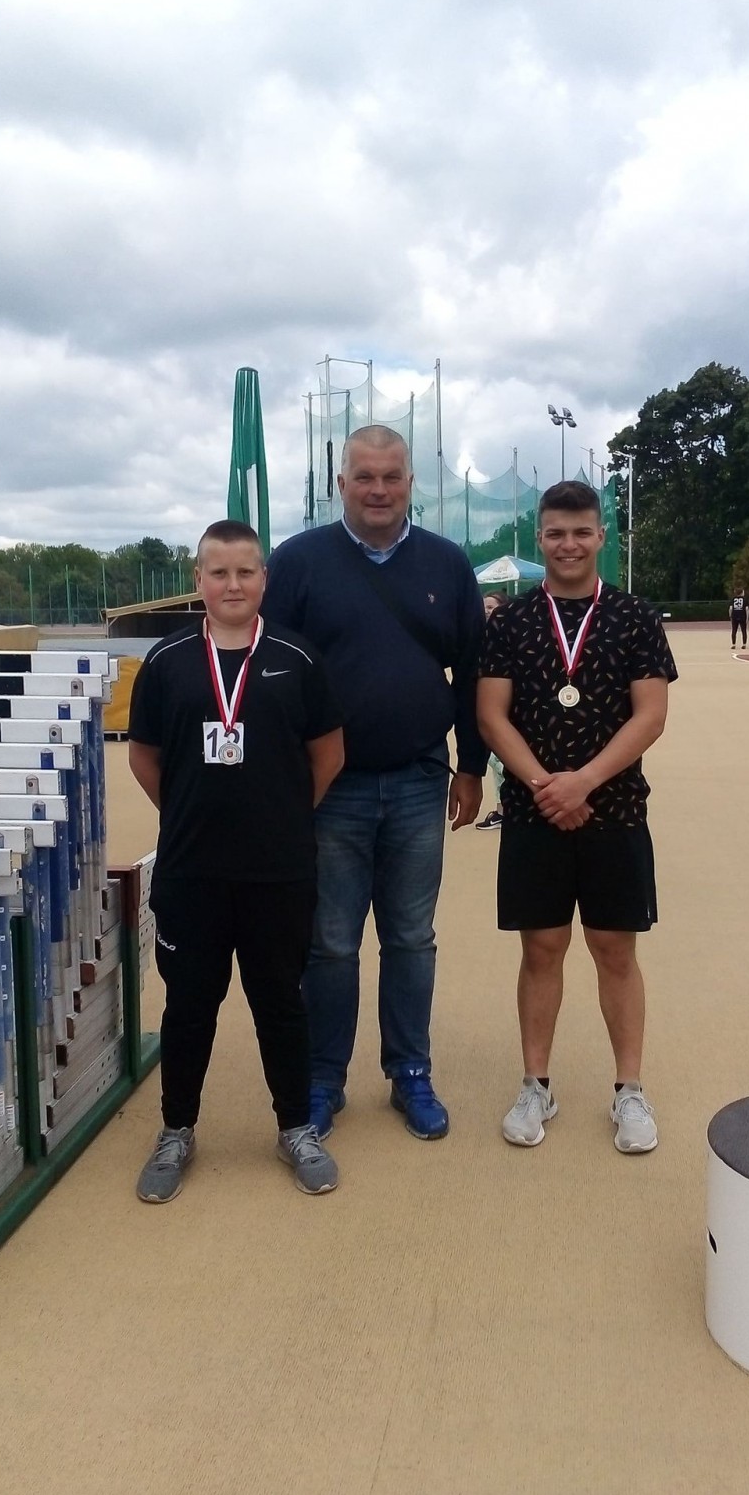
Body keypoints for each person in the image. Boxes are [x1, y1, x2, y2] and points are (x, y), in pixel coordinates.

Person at [263, 425, 487, 1142]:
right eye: (365, 477)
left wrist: (472, 765)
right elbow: (269, 675)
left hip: (420, 780)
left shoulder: (448, 564)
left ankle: (410, 1071)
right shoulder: (297, 562)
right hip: (330, 790)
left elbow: (473, 674)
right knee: (329, 942)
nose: (379, 490)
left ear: (411, 483)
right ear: (342, 484)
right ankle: (322, 1078)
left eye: (392, 476)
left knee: (412, 938)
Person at [127, 521, 345, 1202]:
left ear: (263, 580)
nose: (232, 585)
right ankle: (176, 1130)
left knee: (281, 1002)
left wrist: (282, 816)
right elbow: (144, 756)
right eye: (218, 572)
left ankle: (295, 1128)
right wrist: (191, 813)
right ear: (198, 580)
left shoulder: (297, 657)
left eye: (245, 572)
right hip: (192, 871)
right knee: (190, 1006)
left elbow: (329, 754)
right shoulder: (166, 662)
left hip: (279, 871)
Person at [477, 480, 677, 1155]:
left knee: (615, 950)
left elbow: (651, 715)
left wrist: (584, 781)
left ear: (600, 537)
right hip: (534, 812)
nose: (569, 544)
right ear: (540, 538)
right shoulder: (510, 622)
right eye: (556, 533)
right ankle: (536, 1084)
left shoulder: (634, 617)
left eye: (581, 532)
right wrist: (545, 786)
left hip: (614, 809)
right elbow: (491, 716)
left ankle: (630, 1089)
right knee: (541, 949)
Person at [475, 591, 510, 830]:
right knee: (494, 760)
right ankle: (501, 810)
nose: (487, 611)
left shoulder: (510, 635)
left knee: (499, 760)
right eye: (484, 607)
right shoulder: (478, 636)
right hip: (484, 707)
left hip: (505, 713)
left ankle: (504, 809)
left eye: (491, 607)